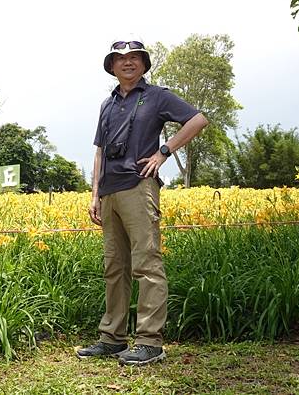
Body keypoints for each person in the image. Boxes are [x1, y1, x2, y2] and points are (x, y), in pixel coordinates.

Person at [76, 39, 208, 366]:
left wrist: (164, 152)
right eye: (121, 59)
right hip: (109, 191)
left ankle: (150, 341)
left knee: (146, 263)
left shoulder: (156, 96)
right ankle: (112, 338)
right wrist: (94, 194)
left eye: (134, 58)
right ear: (111, 66)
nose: (128, 63)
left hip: (139, 187)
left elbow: (198, 120)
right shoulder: (106, 105)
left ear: (143, 63)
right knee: (114, 266)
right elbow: (100, 151)